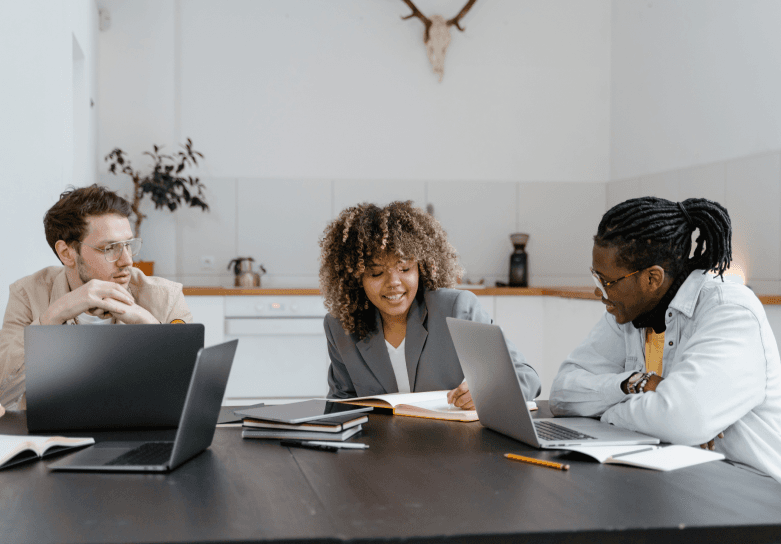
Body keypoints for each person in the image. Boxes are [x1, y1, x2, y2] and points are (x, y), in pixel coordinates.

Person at [549, 197, 781, 482]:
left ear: (652, 279)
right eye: (596, 277)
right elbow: (562, 393)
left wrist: (607, 412)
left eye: (607, 281)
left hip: (751, 491)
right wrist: (634, 384)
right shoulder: (630, 312)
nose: (600, 292)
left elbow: (682, 419)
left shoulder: (729, 310)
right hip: (678, 475)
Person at [319, 200, 540, 408]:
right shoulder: (340, 327)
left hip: (450, 444)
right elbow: (341, 403)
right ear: (356, 278)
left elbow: (526, 378)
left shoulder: (455, 309)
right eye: (376, 273)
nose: (393, 283)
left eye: (404, 269)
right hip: (378, 446)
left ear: (421, 269)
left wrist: (488, 390)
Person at [0, 185, 192, 410]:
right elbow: (5, 392)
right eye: (110, 248)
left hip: (138, 429)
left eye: (128, 245)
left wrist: (149, 326)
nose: (127, 261)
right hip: (56, 434)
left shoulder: (165, 297)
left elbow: (189, 393)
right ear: (66, 253)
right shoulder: (27, 293)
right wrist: (54, 313)